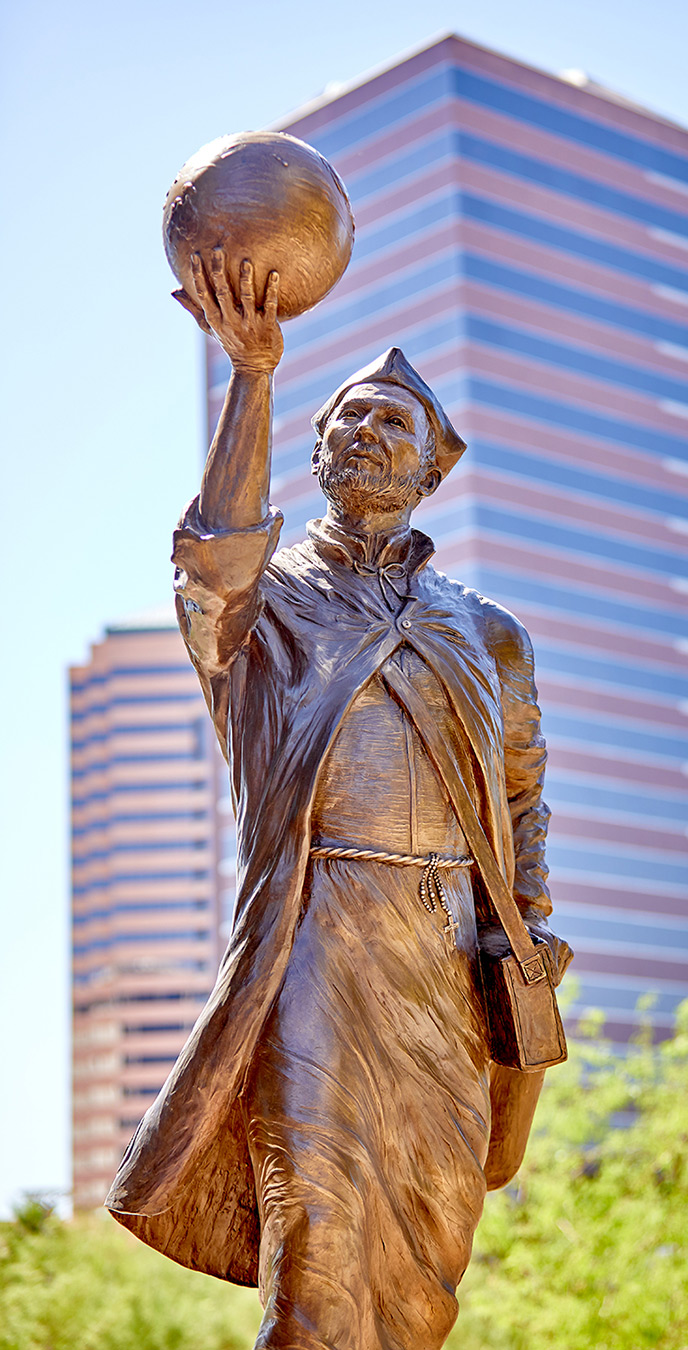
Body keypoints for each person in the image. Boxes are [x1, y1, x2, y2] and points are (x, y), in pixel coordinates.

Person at [106, 249, 572, 1350]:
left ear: (431, 474)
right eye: (349, 421)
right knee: (314, 1230)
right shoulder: (268, 603)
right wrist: (254, 376)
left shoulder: (487, 628)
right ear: (315, 454)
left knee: (424, 1266)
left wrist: (534, 924)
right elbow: (211, 563)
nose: (368, 434)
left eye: (395, 427)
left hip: (451, 955)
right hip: (314, 941)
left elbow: (522, 790)